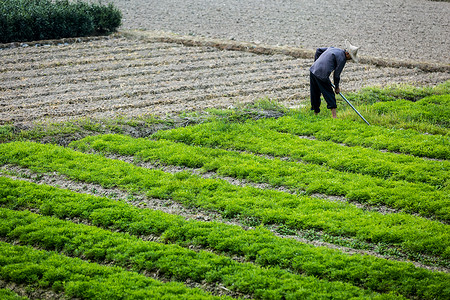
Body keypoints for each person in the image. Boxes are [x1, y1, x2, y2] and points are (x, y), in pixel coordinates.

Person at [309, 40, 359, 118]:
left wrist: (316, 63)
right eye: (351, 57)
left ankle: (316, 113)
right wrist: (337, 87)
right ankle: (334, 116)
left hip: (313, 70)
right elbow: (336, 74)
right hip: (322, 74)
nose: (351, 59)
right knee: (329, 94)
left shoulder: (333, 49)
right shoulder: (342, 58)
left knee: (315, 92)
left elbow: (318, 50)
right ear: (347, 53)